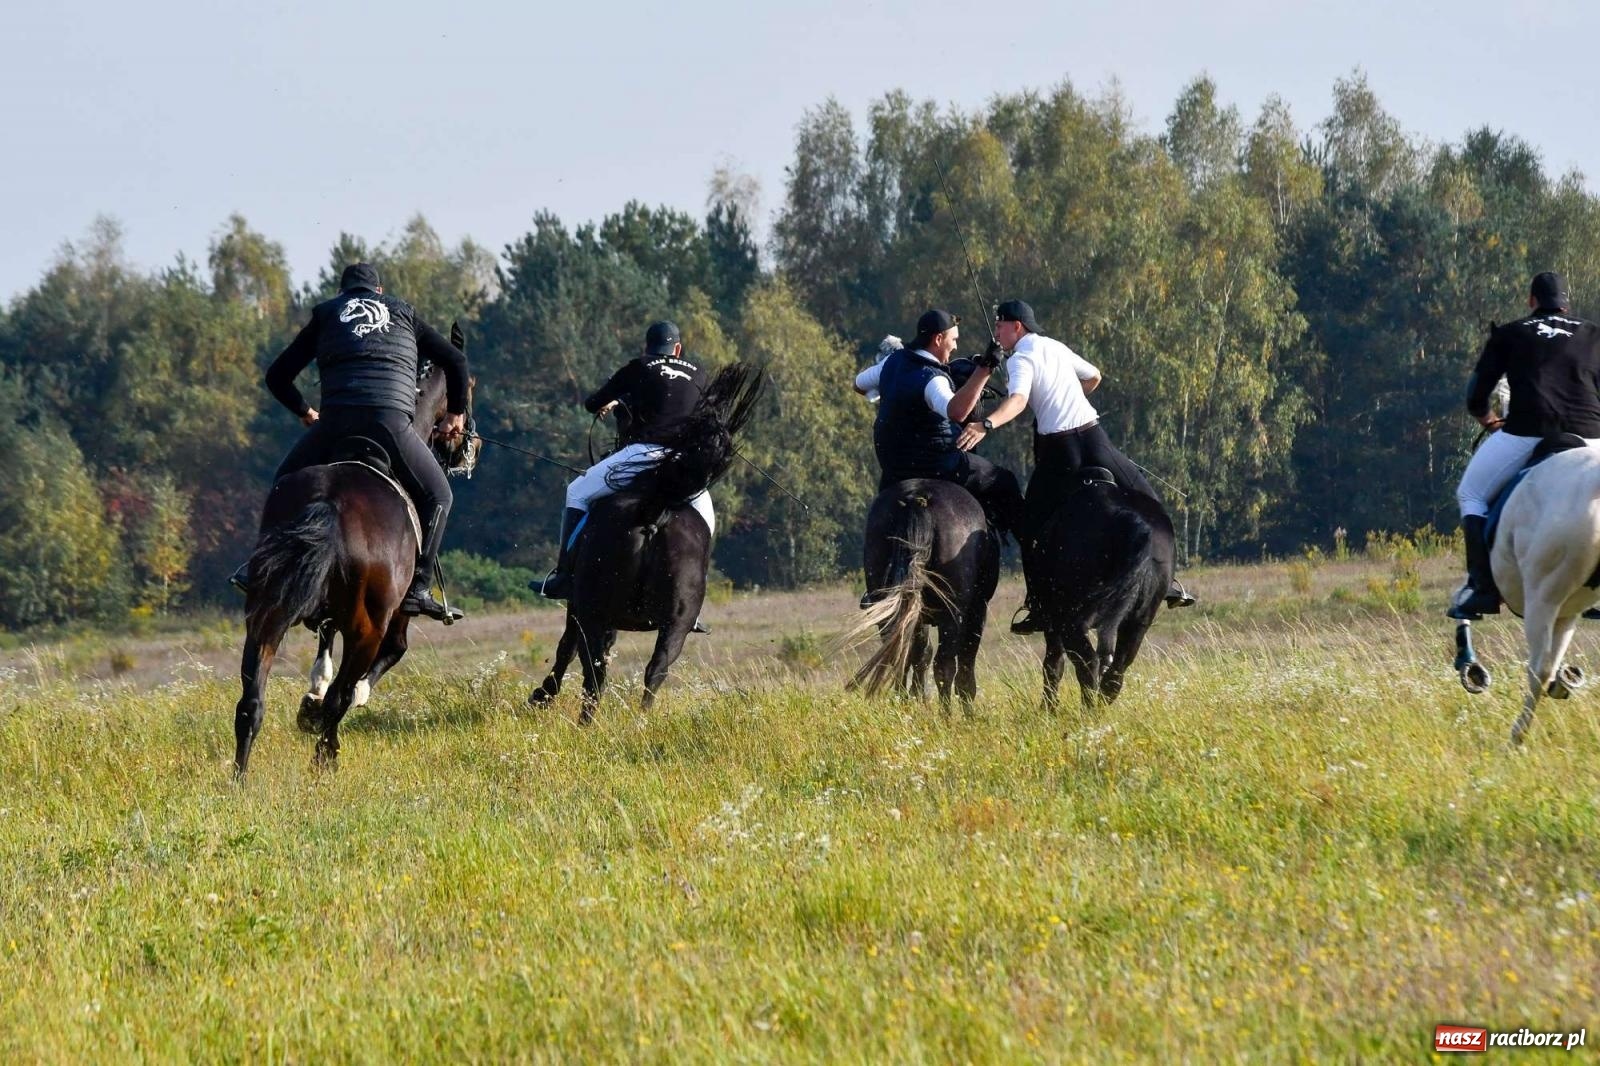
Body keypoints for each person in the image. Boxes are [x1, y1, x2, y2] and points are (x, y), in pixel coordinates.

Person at [231, 263, 469, 622]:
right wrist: (456, 413)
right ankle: (419, 588)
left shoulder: (327, 315)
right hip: (391, 426)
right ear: (379, 290)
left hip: (335, 425)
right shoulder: (404, 314)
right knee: (440, 496)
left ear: (343, 293)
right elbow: (455, 359)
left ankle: (258, 567)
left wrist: (305, 411)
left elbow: (277, 376)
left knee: (284, 482)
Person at [955, 299, 1195, 634]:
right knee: (1149, 501)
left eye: (1000, 326)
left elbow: (1019, 400)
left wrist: (988, 425)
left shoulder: (1021, 358)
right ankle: (1169, 579)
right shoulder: (1055, 346)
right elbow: (1094, 376)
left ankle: (1037, 603)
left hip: (1060, 454)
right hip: (1095, 440)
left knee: (1031, 529)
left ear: (1017, 327)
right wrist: (1068, 395)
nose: (996, 332)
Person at [540, 321, 712, 633]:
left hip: (640, 455)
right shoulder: (699, 373)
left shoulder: (640, 366)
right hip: (682, 462)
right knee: (705, 521)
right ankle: (692, 601)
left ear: (647, 348)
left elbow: (592, 402)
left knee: (576, 492)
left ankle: (564, 575)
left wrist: (618, 398)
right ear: (677, 349)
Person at [1448, 271, 1600, 619]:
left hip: (1529, 430)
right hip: (1591, 434)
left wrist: (1488, 420)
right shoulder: (1593, 334)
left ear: (1532, 301)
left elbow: (1476, 395)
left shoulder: (1510, 333)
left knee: (1470, 494)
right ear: (1566, 305)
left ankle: (1482, 588)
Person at [865, 309, 1024, 585]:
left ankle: (877, 586)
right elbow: (957, 411)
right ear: (938, 339)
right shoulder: (933, 380)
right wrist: (985, 368)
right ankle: (1031, 565)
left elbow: (859, 384)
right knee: (1005, 481)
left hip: (895, 471)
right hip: (940, 466)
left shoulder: (892, 362)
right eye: (953, 339)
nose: (956, 345)